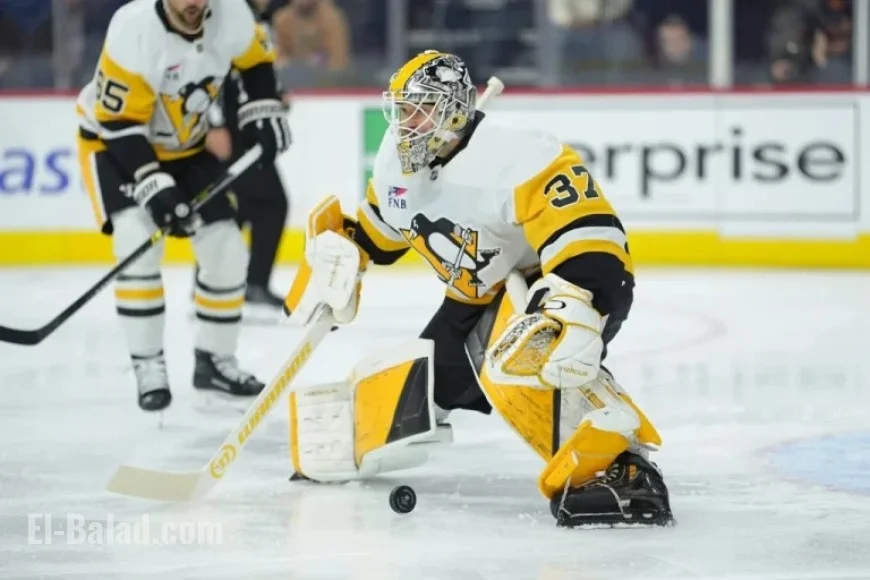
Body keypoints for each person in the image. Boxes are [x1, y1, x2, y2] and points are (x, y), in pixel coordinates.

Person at [280, 50, 673, 527]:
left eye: (420, 108)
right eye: (403, 109)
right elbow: (385, 228)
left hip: (547, 292)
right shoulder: (398, 158)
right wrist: (347, 252)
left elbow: (589, 231)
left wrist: (577, 302)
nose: (407, 122)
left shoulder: (519, 156)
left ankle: (622, 472)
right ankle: (354, 437)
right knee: (410, 391)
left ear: (454, 110)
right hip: (472, 299)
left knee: (517, 357)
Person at [75, 0, 291, 411]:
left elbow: (256, 63)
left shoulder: (232, 13)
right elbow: (118, 124)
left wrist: (262, 110)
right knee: (138, 248)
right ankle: (147, 364)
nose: (193, 3)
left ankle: (214, 360)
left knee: (227, 252)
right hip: (116, 147)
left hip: (187, 148)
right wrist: (154, 186)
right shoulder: (133, 28)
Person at [203, 0, 291, 318]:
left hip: (247, 122)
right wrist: (212, 123)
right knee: (270, 203)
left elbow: (257, 68)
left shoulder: (263, 16)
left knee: (241, 206)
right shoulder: (228, 13)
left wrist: (272, 96)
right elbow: (204, 66)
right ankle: (245, 284)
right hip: (230, 126)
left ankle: (214, 284)